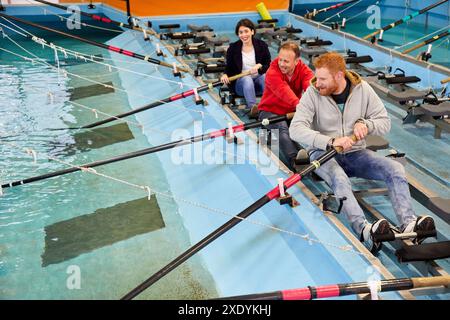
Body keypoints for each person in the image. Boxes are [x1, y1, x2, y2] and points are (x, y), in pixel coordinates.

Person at [289, 52, 435, 253]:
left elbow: (385, 122)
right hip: (324, 155)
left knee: (395, 168)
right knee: (339, 178)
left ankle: (408, 222)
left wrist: (366, 124)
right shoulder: (312, 93)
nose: (317, 83)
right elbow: (295, 129)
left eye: (323, 79)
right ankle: (364, 230)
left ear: (339, 76)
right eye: (317, 77)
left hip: (356, 153)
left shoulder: (363, 89)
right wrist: (330, 141)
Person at [257, 41, 314, 171]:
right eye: (280, 60)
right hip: (268, 111)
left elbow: (311, 85)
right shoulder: (272, 71)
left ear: (297, 61)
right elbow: (284, 91)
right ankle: (295, 161)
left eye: (286, 61)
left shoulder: (303, 69)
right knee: (282, 127)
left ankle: (308, 158)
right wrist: (300, 106)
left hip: (291, 112)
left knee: (301, 129)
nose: (282, 64)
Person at [220, 19, 271, 109]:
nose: (244, 35)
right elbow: (229, 67)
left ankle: (270, 106)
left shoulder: (262, 45)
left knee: (264, 77)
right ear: (238, 34)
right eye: (241, 32)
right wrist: (225, 74)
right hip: (241, 85)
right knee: (247, 79)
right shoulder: (233, 48)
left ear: (252, 31)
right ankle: (253, 108)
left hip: (258, 84)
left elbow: (269, 65)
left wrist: (260, 66)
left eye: (246, 31)